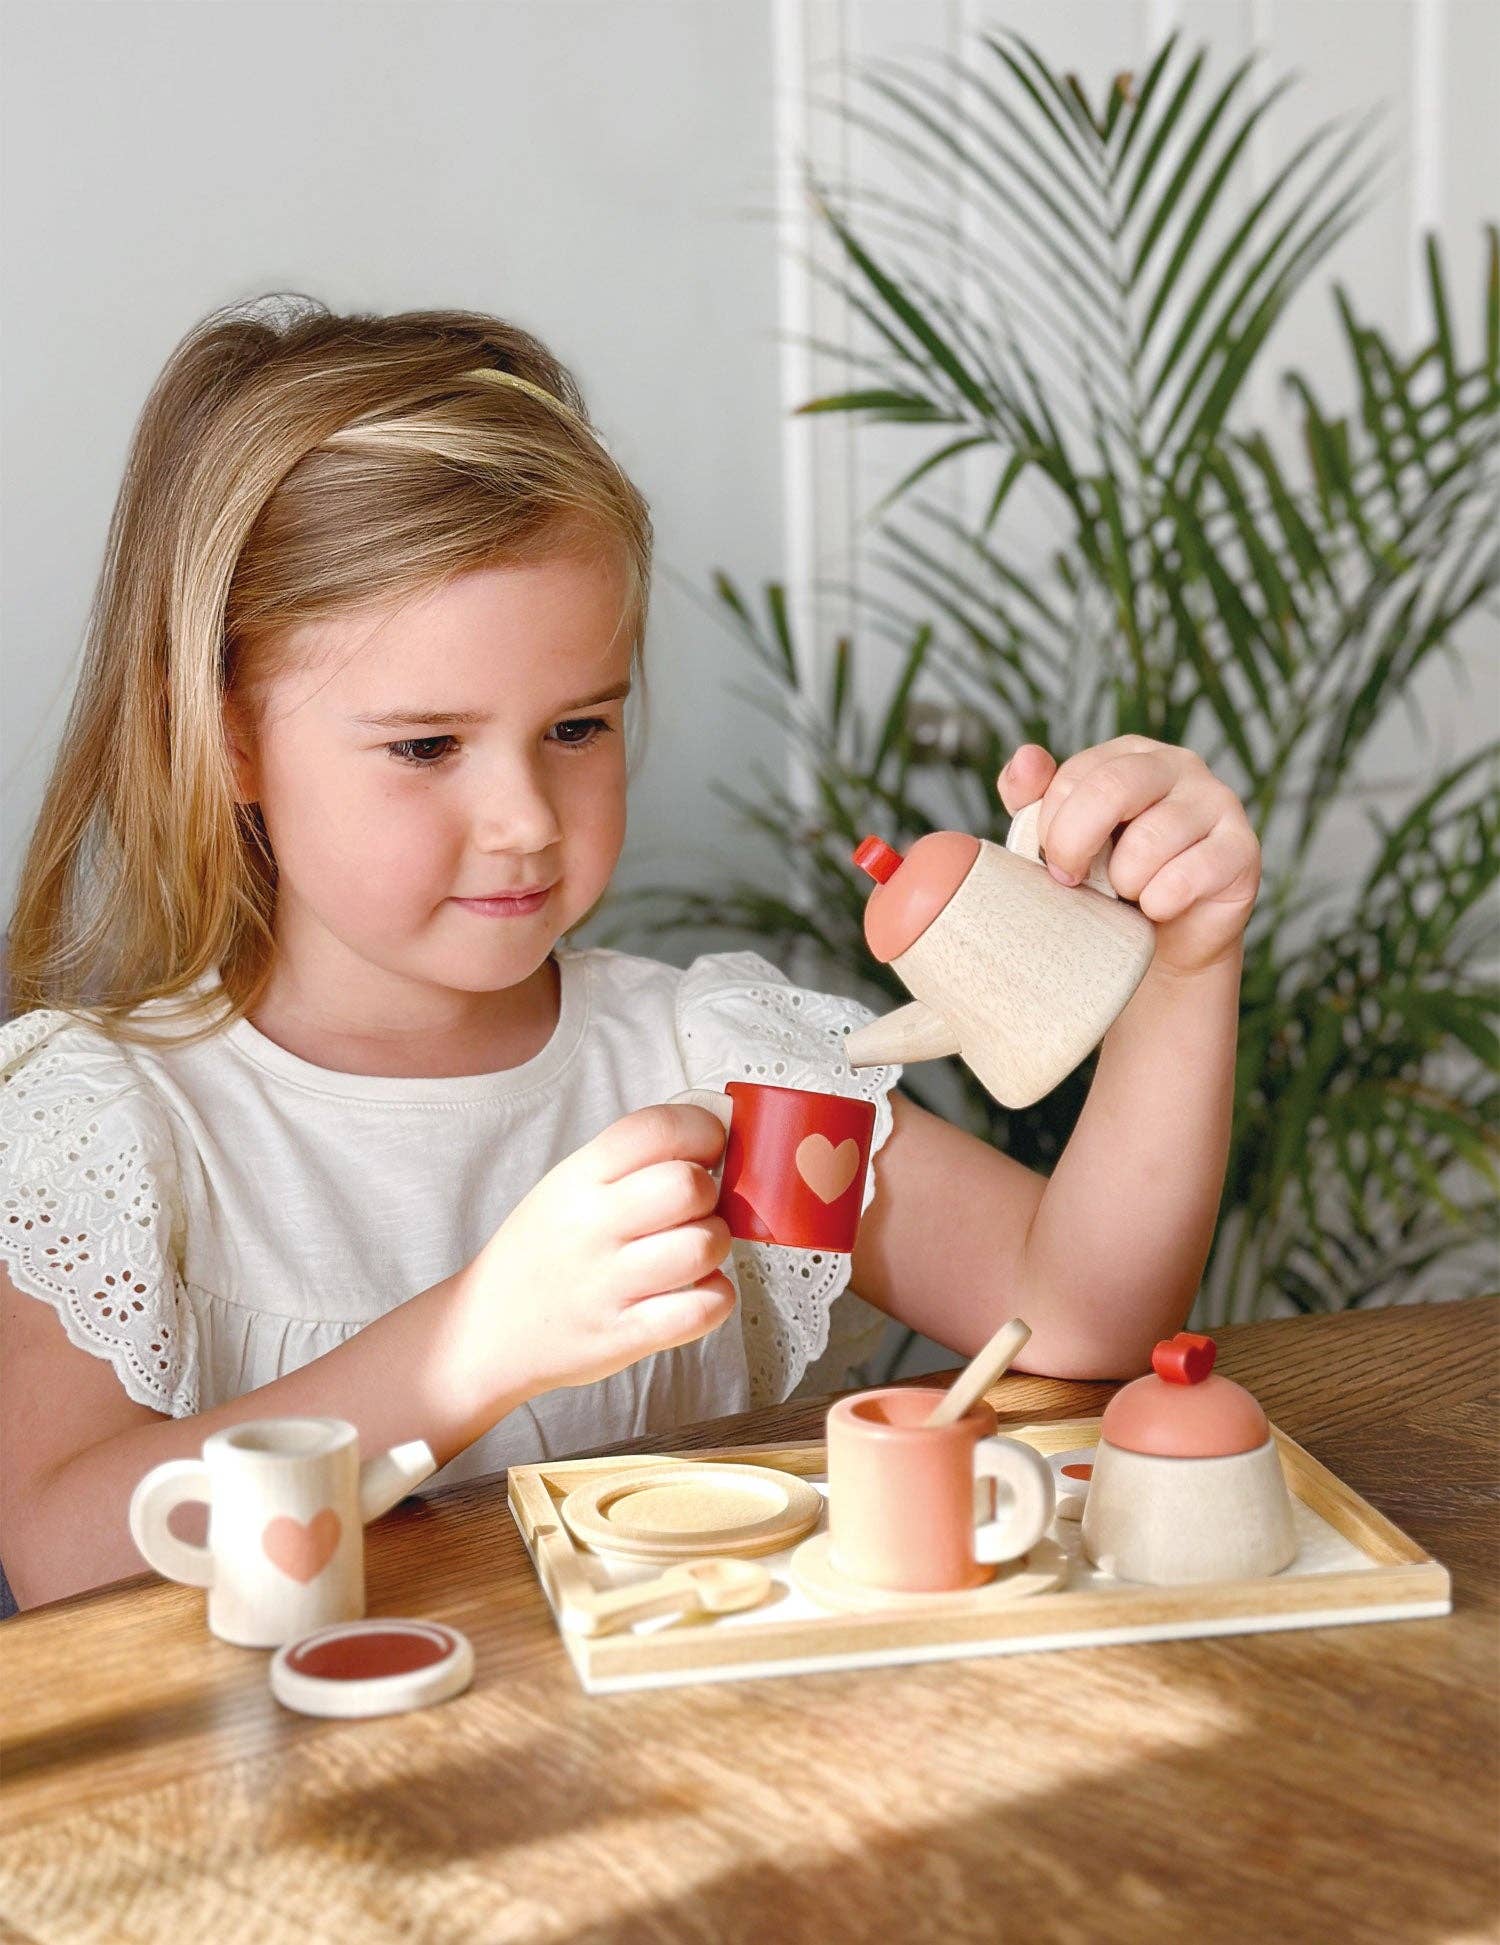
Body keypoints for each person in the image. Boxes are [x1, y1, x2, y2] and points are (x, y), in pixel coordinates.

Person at [0, 298, 1260, 1610]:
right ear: (228, 742)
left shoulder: (721, 1090)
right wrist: (469, 1346)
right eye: (427, 745)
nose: (526, 819)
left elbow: (1077, 1312)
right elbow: (60, 1553)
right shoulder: (118, 1128)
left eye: (578, 727)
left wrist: (1189, 959)